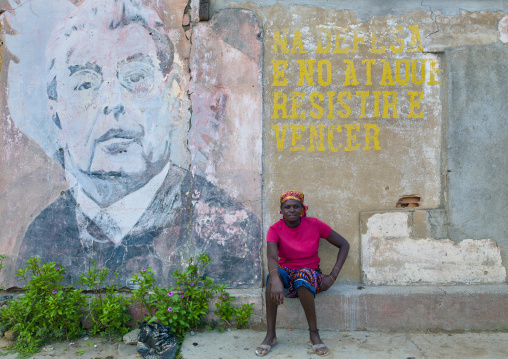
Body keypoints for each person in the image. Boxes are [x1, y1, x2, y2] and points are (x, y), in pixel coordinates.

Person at [15, 0, 261, 288]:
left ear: (172, 97)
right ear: (57, 113)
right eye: (85, 83)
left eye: (135, 78)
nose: (113, 103)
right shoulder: (41, 237)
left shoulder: (230, 229)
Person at [256, 190, 350, 357]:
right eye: (287, 207)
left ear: (302, 209)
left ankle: (314, 334)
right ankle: (271, 335)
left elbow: (344, 244)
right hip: (286, 271)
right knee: (271, 279)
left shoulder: (315, 224)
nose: (291, 210)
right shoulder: (275, 229)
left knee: (302, 277)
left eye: (295, 206)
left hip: (310, 272)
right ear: (281, 210)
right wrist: (275, 278)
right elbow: (271, 256)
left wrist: (333, 276)